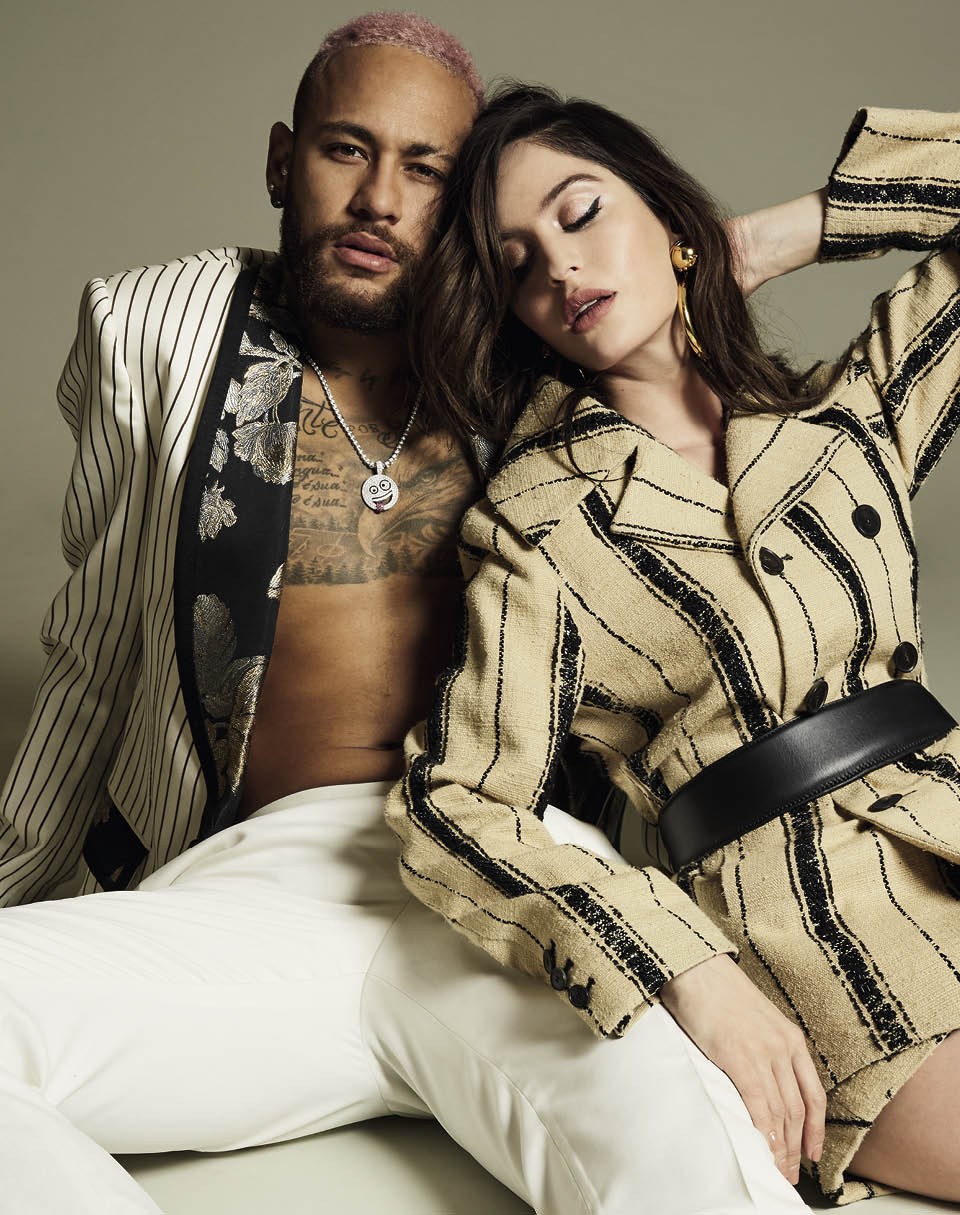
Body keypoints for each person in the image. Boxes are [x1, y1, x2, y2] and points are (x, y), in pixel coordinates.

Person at [0, 14, 812, 1215]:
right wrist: (21, 883)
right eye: (347, 150)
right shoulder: (158, 330)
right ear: (284, 162)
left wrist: (729, 242)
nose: (380, 199)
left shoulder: (550, 366)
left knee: (691, 1180)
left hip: (524, 891)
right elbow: (95, 645)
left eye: (427, 171)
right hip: (250, 896)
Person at [389, 85, 960, 1207]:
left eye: (583, 212)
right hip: (823, 935)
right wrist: (679, 960)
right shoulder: (538, 521)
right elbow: (455, 803)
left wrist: (777, 235)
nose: (560, 266)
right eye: (518, 263)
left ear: (667, 216)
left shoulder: (847, 420)